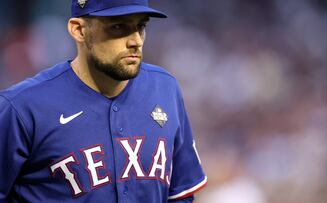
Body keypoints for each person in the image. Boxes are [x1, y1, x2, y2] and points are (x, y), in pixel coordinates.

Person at [0, 0, 207, 202]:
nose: (136, 40)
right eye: (118, 27)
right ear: (79, 30)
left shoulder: (165, 88)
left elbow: (181, 193)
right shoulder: (22, 107)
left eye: (140, 26)